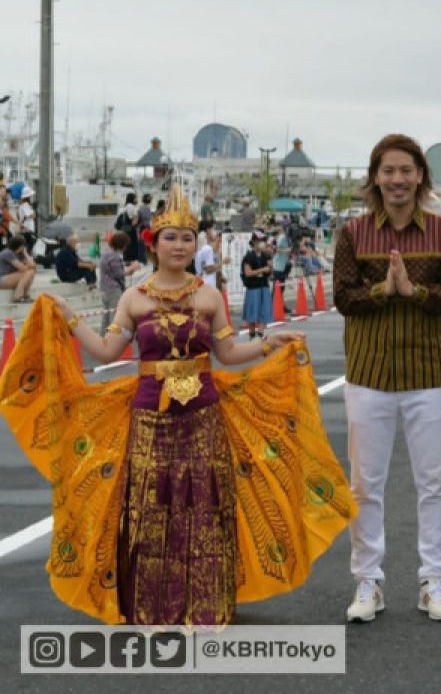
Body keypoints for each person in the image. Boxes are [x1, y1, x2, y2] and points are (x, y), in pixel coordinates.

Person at [0, 184, 354, 625]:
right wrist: (67, 318)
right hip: (148, 420)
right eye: (171, 237)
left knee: (204, 507)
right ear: (154, 243)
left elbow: (226, 355)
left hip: (205, 418)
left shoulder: (207, 296)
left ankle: (204, 600)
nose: (180, 245)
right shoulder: (134, 297)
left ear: (195, 245)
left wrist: (268, 344)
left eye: (188, 238)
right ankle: (152, 602)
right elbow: (109, 353)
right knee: (150, 507)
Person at [334, 134, 441, 625]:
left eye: (405, 171)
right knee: (365, 484)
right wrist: (381, 289)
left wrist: (412, 291)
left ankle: (434, 580)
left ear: (420, 177)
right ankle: (368, 580)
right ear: (375, 178)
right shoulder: (353, 234)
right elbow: (344, 298)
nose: (397, 180)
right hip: (368, 375)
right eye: (388, 171)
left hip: (427, 375)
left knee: (434, 482)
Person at [98, 231, 141, 329]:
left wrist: (129, 270)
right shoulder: (113, 256)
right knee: (114, 317)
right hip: (113, 289)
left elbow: (114, 272)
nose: (126, 247)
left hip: (105, 288)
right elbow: (119, 274)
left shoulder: (106, 253)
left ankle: (102, 338)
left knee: (106, 317)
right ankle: (113, 339)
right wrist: (132, 267)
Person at [241, 235, 273, 338]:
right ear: (254, 242)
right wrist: (262, 270)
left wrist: (269, 267)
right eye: (260, 241)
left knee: (265, 310)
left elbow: (270, 269)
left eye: (263, 241)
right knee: (252, 311)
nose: (262, 243)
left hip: (264, 285)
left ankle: (260, 334)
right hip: (253, 287)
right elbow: (248, 273)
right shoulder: (249, 256)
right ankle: (252, 334)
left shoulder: (265, 255)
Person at [0, 234, 37, 302]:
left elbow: (34, 266)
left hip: (10, 278)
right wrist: (29, 265)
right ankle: (18, 295)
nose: (25, 247)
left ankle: (25, 295)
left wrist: (26, 254)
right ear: (20, 246)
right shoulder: (8, 253)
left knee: (31, 271)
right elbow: (23, 269)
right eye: (24, 245)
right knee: (28, 272)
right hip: (2, 279)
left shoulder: (20, 254)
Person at [195, 224, 222, 289]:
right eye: (212, 229)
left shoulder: (205, 239)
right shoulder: (202, 237)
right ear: (207, 229)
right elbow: (208, 268)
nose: (213, 231)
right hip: (206, 278)